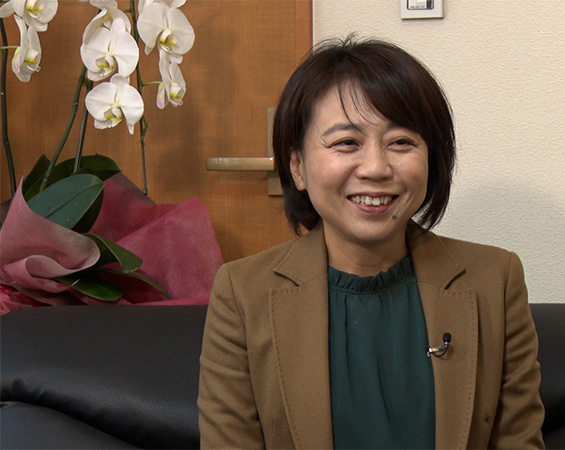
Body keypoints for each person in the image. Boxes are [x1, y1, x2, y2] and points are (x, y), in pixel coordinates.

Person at [197, 35, 545, 449]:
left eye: (401, 142)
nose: (376, 168)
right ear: (297, 167)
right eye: (346, 143)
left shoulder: (496, 281)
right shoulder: (242, 294)